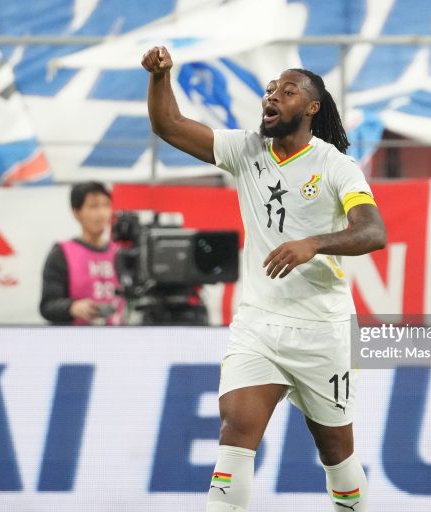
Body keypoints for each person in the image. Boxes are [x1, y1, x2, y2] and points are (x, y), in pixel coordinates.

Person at [142, 46, 386, 512]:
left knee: (336, 454)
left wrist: (313, 243)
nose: (272, 96)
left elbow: (373, 232)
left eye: (287, 91)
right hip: (258, 323)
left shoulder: (335, 165)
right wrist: (160, 77)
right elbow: (168, 124)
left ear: (312, 108)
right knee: (235, 434)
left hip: (322, 330)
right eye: (270, 89)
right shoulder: (245, 148)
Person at [40, 181, 124, 325]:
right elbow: (47, 306)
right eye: (93, 206)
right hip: (76, 340)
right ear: (76, 212)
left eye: (106, 205)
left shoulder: (121, 252)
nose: (101, 213)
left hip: (118, 338)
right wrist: (72, 308)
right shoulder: (62, 253)